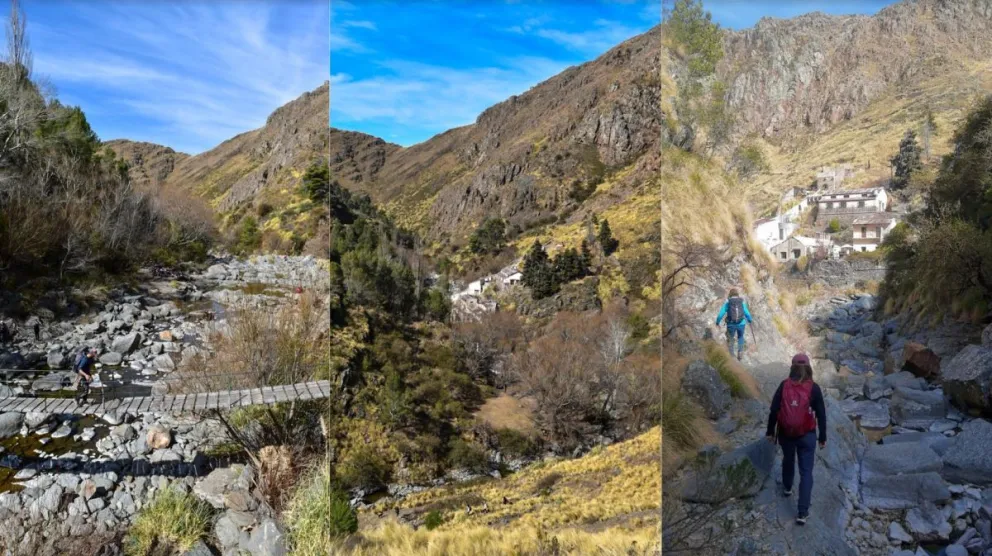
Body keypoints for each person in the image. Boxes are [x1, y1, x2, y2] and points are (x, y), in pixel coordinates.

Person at [766, 353, 827, 526]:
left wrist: (770, 431)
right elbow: (821, 414)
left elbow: (774, 410)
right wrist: (823, 437)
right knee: (806, 472)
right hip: (807, 435)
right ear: (809, 367)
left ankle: (787, 487)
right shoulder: (813, 388)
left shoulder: (784, 385)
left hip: (786, 433)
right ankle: (802, 512)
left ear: (792, 366)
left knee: (788, 458)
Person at [715, 288, 753, 361]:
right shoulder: (742, 303)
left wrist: (717, 322)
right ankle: (740, 352)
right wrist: (750, 320)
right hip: (741, 323)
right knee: (740, 337)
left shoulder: (728, 304)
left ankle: (731, 355)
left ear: (730, 295)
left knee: (731, 338)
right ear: (737, 295)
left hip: (731, 324)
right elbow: (747, 313)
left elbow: (720, 315)